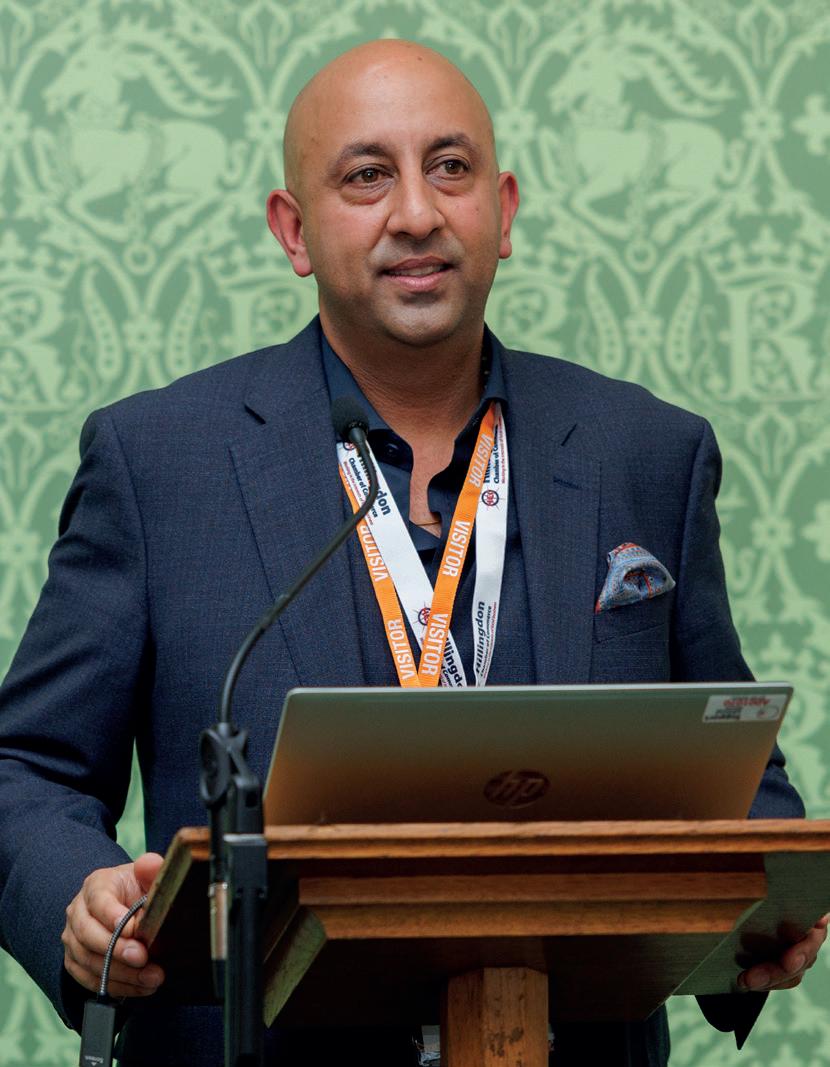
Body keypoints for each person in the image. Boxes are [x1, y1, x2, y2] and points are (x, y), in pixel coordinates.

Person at [0, 39, 824, 1067]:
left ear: (503, 211)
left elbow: (738, 770)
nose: (417, 213)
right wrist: (79, 898)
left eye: (450, 167)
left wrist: (768, 908)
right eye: (366, 176)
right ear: (293, 231)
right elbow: (25, 767)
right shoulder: (160, 462)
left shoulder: (646, 452)